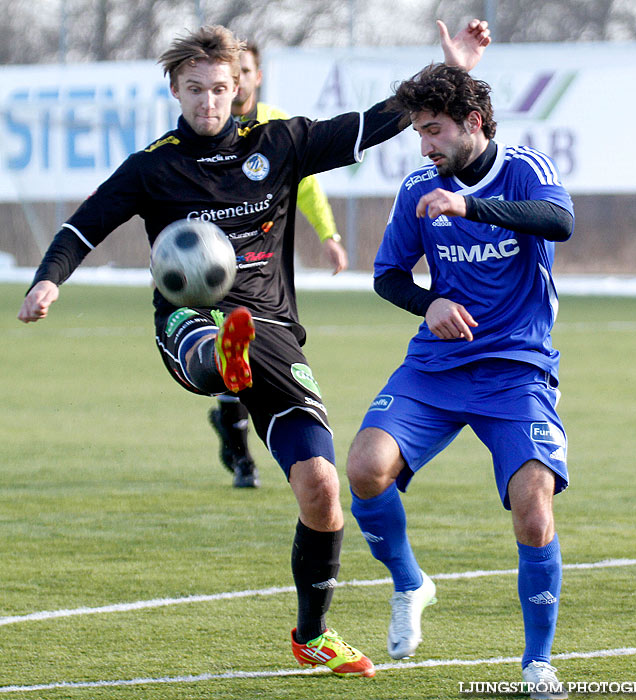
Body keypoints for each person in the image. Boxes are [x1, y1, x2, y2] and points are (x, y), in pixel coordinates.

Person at [17, 20, 490, 678]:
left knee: (323, 488)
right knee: (206, 339)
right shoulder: (154, 166)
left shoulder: (280, 142)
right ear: (176, 92)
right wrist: (48, 279)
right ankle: (221, 362)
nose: (208, 101)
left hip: (269, 330)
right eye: (194, 90)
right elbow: (84, 225)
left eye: (218, 88)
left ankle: (312, 635)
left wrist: (455, 70)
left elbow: (372, 123)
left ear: (239, 86)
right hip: (189, 315)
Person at [346, 63, 573, 697]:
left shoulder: (527, 168)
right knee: (364, 466)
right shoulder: (418, 187)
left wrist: (468, 204)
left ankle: (537, 664)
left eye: (435, 130)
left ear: (473, 123)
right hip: (437, 367)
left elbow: (560, 223)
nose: (424, 145)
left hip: (518, 368)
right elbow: (388, 276)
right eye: (419, 132)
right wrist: (431, 306)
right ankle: (410, 584)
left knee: (533, 511)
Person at [209, 41, 347, 489]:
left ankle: (235, 436)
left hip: (265, 265)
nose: (240, 81)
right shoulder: (209, 130)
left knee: (251, 351)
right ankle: (243, 454)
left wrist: (329, 235)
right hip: (214, 263)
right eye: (234, 73)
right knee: (234, 349)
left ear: (256, 76)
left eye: (246, 71)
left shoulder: (276, 127)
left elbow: (306, 188)